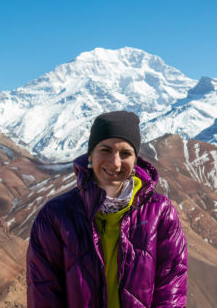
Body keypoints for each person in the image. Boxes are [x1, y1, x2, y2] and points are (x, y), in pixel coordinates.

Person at [27, 111, 187, 307]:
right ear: (90, 155)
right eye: (105, 150)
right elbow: (44, 292)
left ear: (135, 159)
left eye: (125, 153)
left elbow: (171, 286)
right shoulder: (55, 216)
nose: (115, 162)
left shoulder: (160, 213)